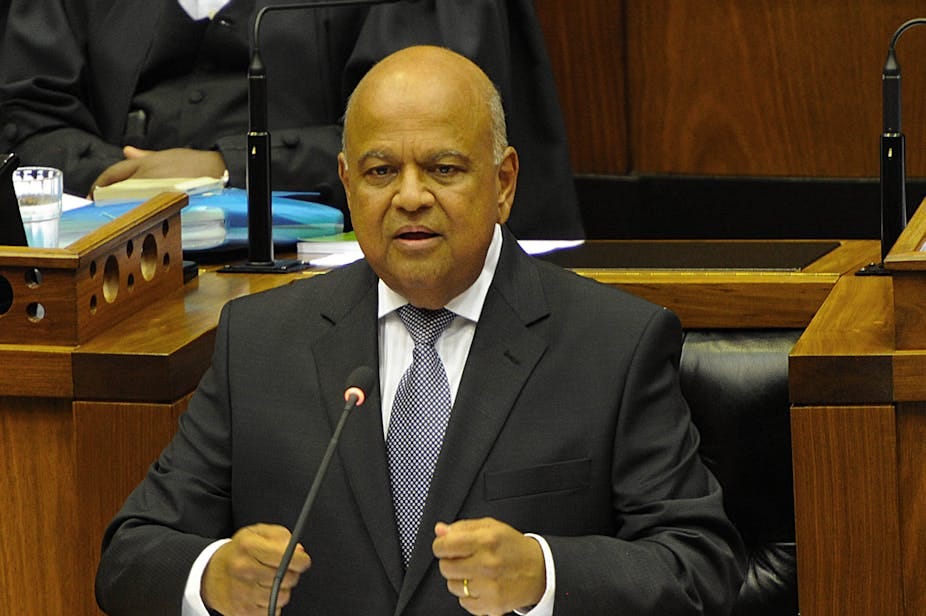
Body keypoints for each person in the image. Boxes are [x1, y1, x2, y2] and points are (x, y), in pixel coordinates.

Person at [95, 45, 744, 615]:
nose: (409, 196)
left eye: (443, 169)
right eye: (381, 172)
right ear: (349, 186)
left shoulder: (614, 344)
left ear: (504, 183)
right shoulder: (260, 343)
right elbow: (130, 558)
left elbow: (701, 566)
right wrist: (212, 579)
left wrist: (543, 574)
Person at [0, 0, 583, 239]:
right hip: (107, 264)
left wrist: (224, 168)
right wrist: (113, 179)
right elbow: (23, 114)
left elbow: (427, 143)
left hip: (337, 270)